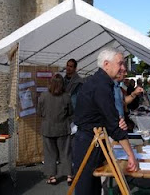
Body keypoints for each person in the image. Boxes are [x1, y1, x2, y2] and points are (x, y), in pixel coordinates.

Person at [73, 47, 139, 195]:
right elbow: (114, 124)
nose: (123, 68)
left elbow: (109, 118)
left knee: (93, 186)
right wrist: (130, 155)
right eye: (120, 63)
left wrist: (114, 121)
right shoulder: (101, 85)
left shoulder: (101, 82)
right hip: (88, 142)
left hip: (93, 138)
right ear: (106, 64)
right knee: (86, 188)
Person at [37, 74, 73, 185]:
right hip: (63, 128)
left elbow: (39, 112)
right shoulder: (66, 96)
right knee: (65, 152)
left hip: (48, 128)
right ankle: (69, 175)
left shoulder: (43, 96)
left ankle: (52, 176)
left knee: (49, 154)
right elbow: (71, 112)